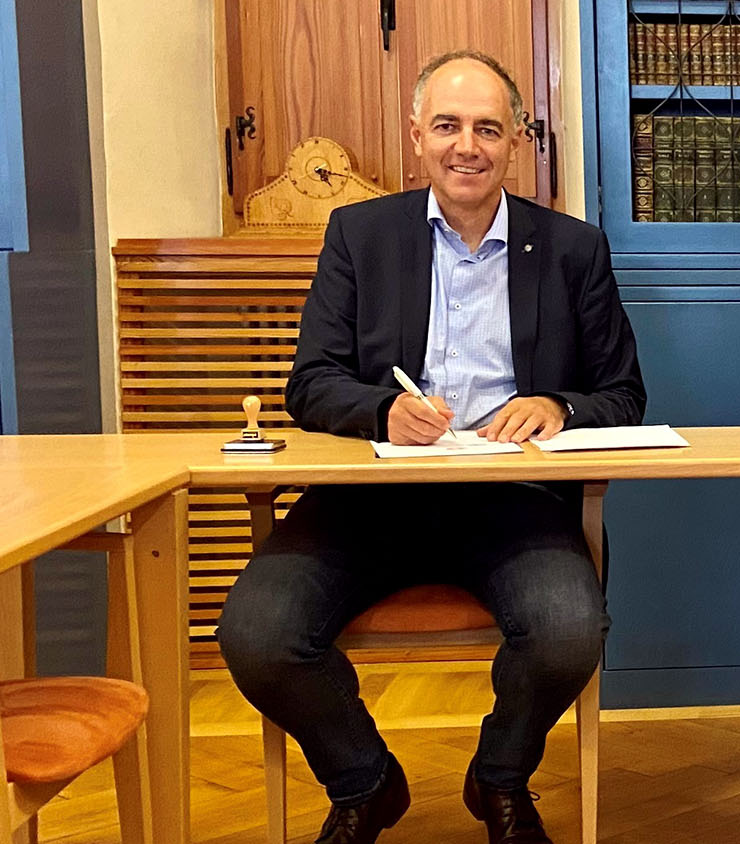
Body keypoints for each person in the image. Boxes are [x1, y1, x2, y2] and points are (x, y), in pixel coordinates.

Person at [217, 50, 646, 844]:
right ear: (415, 136)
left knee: (568, 628)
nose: (467, 146)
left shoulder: (572, 248)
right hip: (370, 499)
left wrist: (557, 404)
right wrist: (382, 410)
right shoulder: (360, 233)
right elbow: (309, 383)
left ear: (517, 139)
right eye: (447, 125)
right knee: (255, 633)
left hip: (512, 501)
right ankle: (365, 782)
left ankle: (501, 778)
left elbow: (624, 394)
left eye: (488, 127)